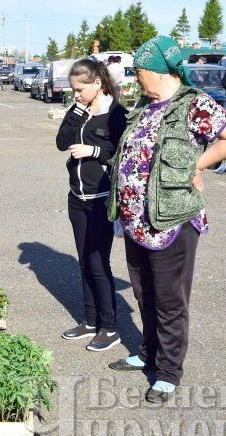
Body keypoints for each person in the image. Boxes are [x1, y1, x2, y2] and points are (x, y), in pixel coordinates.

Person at [106, 36, 226, 403]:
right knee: (144, 293)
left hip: (173, 221)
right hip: (139, 220)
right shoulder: (147, 105)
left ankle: (169, 371)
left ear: (159, 71)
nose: (136, 79)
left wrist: (197, 165)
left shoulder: (193, 105)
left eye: (139, 73)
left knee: (170, 300)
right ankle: (149, 352)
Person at [56, 59, 128, 352]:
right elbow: (61, 142)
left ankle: (109, 328)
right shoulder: (79, 111)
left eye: (80, 90)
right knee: (84, 261)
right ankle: (89, 321)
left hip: (101, 199)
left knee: (99, 264)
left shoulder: (117, 114)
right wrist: (75, 113)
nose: (75, 94)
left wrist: (93, 150)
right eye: (73, 89)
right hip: (77, 198)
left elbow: (123, 154)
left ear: (97, 84)